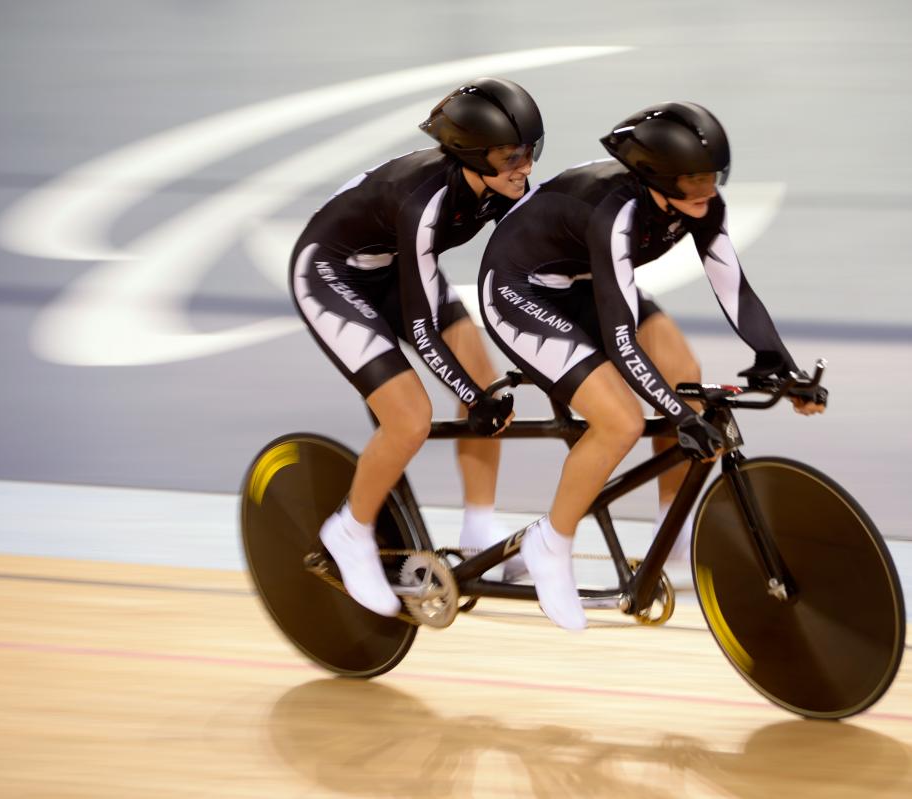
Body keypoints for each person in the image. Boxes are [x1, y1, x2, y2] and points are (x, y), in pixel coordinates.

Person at [477, 102, 825, 630]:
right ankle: (552, 540)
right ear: (657, 179)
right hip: (519, 290)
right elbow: (620, 338)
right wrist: (677, 417)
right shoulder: (614, 214)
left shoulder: (702, 204)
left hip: (582, 286)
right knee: (621, 421)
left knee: (687, 372)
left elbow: (733, 289)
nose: (707, 190)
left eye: (713, 176)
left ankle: (674, 530)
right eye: (693, 180)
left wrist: (782, 365)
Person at [290, 78, 544, 617]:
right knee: (410, 418)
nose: (523, 165)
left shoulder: (500, 183)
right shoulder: (423, 200)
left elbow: (534, 261)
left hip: (389, 270)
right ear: (472, 156)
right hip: (331, 276)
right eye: (510, 155)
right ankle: (350, 530)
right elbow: (423, 327)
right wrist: (471, 399)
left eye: (530, 150)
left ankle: (478, 529)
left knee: (484, 372)